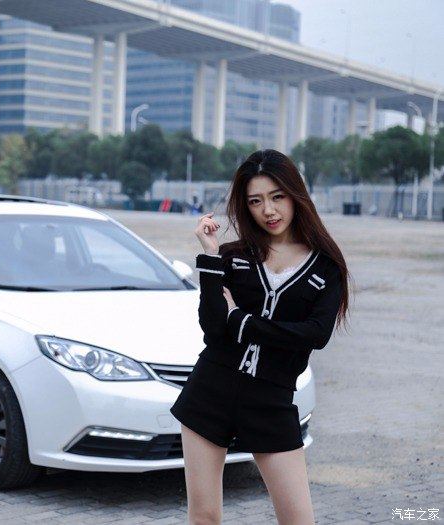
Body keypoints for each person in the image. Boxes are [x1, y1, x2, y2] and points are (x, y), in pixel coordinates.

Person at [170, 149, 351, 525]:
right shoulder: (233, 256)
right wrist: (210, 258)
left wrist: (241, 320)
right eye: (255, 201)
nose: (268, 210)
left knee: (298, 520)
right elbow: (213, 328)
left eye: (277, 196)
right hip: (210, 391)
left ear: (296, 195)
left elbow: (314, 335)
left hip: (272, 399)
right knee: (204, 517)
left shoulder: (326, 266)